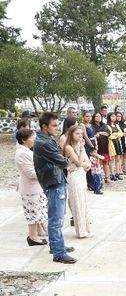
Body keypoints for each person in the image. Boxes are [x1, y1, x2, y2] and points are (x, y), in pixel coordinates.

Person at [33, 112, 76, 264]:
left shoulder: (46, 139)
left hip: (55, 180)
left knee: (57, 217)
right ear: (44, 127)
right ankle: (58, 252)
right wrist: (70, 158)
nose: (57, 128)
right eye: (54, 125)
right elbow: (63, 162)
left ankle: (57, 245)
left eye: (58, 125)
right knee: (55, 220)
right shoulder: (44, 143)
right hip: (54, 182)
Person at [15, 129, 48, 246]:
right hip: (30, 189)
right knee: (33, 214)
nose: (34, 140)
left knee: (37, 213)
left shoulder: (26, 151)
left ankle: (36, 235)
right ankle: (33, 237)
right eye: (32, 138)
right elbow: (31, 173)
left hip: (35, 188)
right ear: (23, 140)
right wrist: (46, 169)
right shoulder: (22, 153)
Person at [63, 125, 92, 238]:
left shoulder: (81, 145)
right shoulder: (69, 147)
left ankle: (86, 228)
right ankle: (80, 231)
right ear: (71, 134)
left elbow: (87, 164)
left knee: (83, 201)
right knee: (77, 202)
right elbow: (79, 162)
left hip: (81, 174)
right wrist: (79, 162)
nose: (80, 136)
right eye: (77, 134)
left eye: (81, 134)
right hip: (74, 176)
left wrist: (80, 164)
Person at [106, 112, 123, 180]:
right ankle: (112, 173)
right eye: (112, 116)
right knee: (112, 159)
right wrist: (116, 134)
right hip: (111, 143)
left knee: (118, 159)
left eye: (114, 116)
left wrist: (115, 134)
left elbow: (121, 133)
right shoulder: (107, 126)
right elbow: (110, 136)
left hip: (117, 142)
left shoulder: (117, 125)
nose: (114, 118)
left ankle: (117, 173)